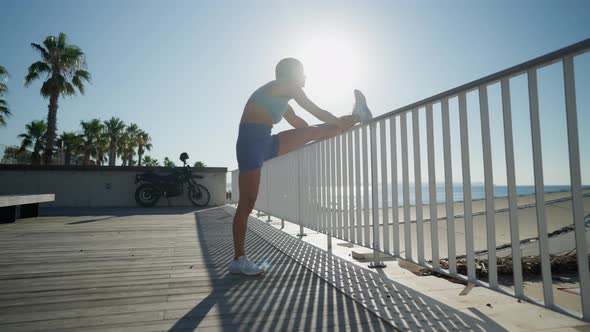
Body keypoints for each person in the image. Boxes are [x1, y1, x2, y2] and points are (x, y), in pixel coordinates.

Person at [230, 58, 373, 275]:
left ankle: (358, 114)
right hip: (250, 145)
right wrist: (330, 124)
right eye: (303, 72)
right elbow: (314, 109)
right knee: (247, 203)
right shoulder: (287, 86)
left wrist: (321, 131)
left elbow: (301, 124)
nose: (305, 77)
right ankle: (239, 259)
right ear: (292, 74)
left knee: (321, 131)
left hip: (267, 142)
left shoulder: (283, 101)